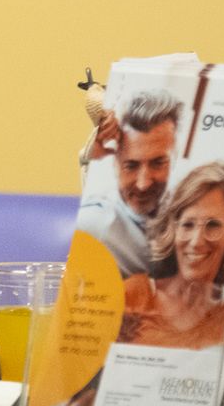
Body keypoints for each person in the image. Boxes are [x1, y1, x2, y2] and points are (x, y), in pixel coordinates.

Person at [118, 161, 224, 349]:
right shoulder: (131, 295)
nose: (196, 241)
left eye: (213, 225)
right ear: (173, 229)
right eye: (188, 224)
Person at [76, 88, 182, 275]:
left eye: (158, 163)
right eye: (131, 166)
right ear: (114, 162)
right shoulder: (96, 224)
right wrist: (88, 161)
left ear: (176, 158)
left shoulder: (197, 215)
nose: (143, 184)